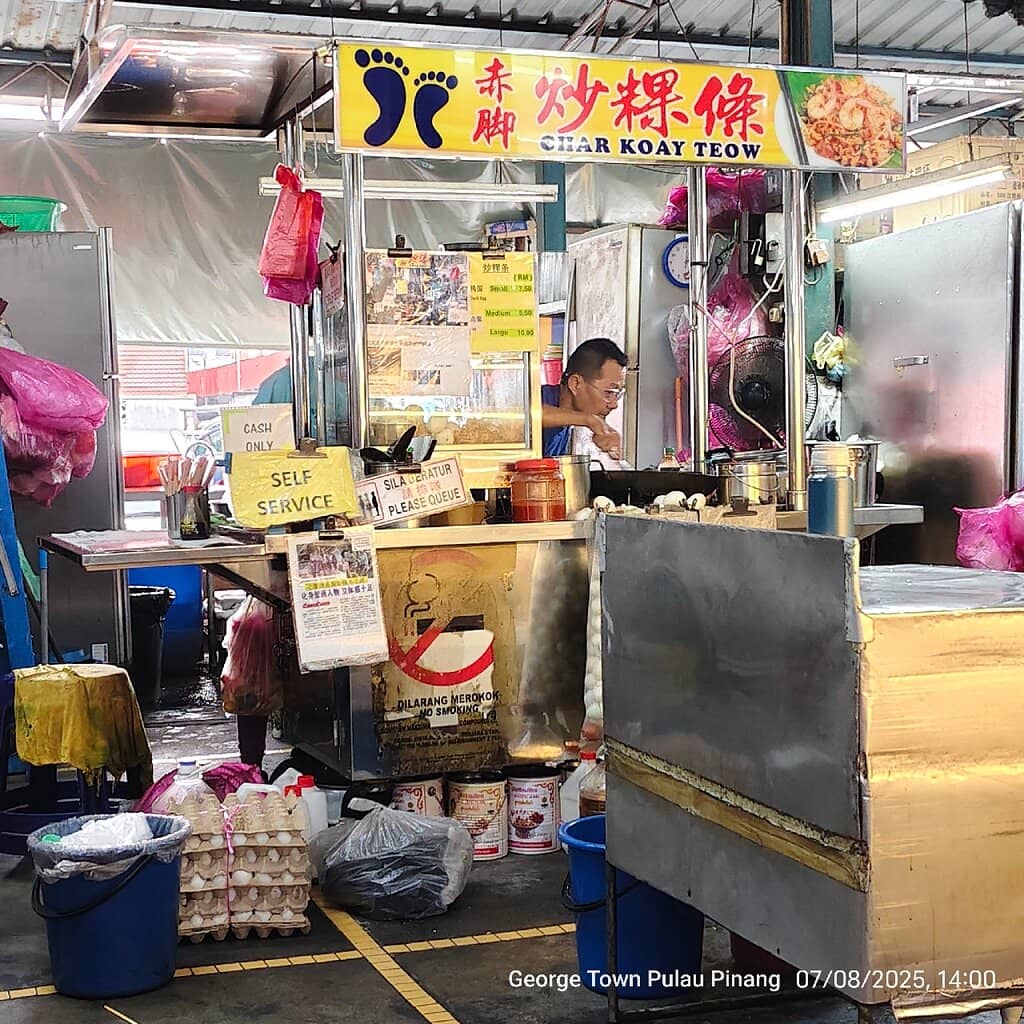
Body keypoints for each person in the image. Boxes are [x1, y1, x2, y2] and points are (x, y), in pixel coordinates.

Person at [541, 338, 627, 460]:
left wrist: (602, 428)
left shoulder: (564, 424)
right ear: (575, 384)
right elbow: (523, 416)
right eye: (608, 392)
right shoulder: (542, 398)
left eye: (617, 394)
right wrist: (588, 420)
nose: (614, 404)